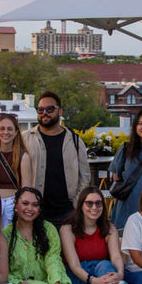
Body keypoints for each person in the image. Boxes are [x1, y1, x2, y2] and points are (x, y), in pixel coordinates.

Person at [21, 91, 90, 226]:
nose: (44, 113)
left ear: (60, 111)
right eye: (40, 110)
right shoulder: (25, 139)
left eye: (50, 109)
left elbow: (85, 176)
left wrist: (76, 204)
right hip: (35, 211)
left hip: (67, 212)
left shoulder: (74, 140)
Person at [60, 186, 123, 284]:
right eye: (89, 203)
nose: (94, 207)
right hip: (80, 275)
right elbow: (74, 265)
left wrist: (119, 274)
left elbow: (116, 257)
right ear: (81, 206)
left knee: (106, 267)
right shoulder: (68, 229)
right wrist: (94, 281)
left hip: (103, 272)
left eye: (98, 203)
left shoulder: (109, 228)